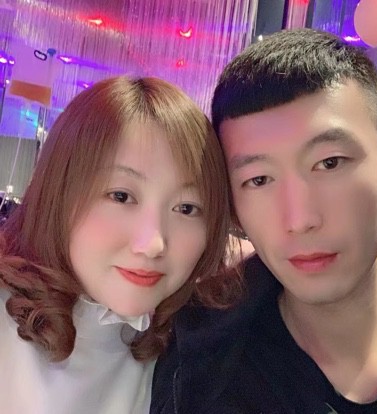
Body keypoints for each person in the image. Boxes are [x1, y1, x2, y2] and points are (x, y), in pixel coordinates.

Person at [150, 29, 377, 413]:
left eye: (330, 163)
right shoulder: (201, 374)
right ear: (234, 208)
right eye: (259, 180)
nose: (300, 219)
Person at [0, 76, 242, 413]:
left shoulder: (186, 345)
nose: (153, 244)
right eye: (121, 196)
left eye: (186, 208)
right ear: (59, 192)